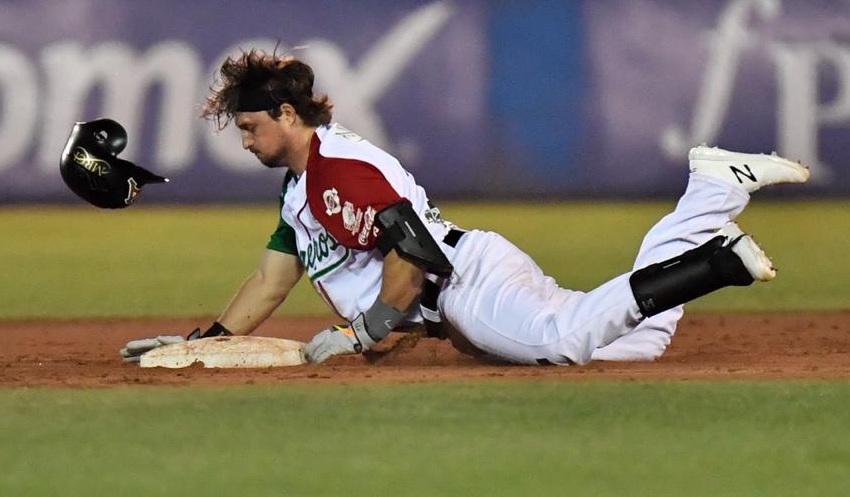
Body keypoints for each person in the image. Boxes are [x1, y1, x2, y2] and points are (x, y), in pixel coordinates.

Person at [121, 50, 810, 367]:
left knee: (562, 340)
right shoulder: (301, 191)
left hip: (464, 284)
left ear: (287, 114)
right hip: (468, 280)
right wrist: (203, 342)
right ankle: (712, 190)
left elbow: (412, 252)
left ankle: (719, 263)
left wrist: (364, 332)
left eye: (250, 127)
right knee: (642, 340)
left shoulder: (339, 169)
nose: (245, 142)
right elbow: (271, 280)